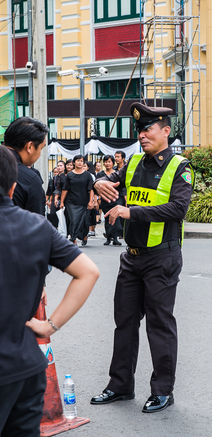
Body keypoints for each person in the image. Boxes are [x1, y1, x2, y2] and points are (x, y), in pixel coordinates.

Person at [91, 102, 194, 413]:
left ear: (165, 131)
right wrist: (100, 183)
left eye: (148, 128)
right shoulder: (134, 162)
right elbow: (112, 183)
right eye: (139, 129)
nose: (142, 134)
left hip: (162, 257)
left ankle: (163, 390)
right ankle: (120, 385)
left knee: (159, 326)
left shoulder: (180, 167)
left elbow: (178, 209)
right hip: (131, 258)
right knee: (124, 323)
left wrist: (129, 211)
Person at [0, 145, 99, 437]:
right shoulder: (37, 226)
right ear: (13, 187)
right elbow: (88, 272)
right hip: (26, 364)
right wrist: (49, 325)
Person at [4, 116, 48, 215]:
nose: (40, 153)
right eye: (41, 148)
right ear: (30, 147)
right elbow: (36, 225)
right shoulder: (30, 178)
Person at [60, 154, 94, 246]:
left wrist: (91, 201)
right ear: (74, 162)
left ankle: (82, 236)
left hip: (84, 202)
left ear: (84, 163)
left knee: (84, 222)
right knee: (73, 221)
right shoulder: (69, 175)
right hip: (71, 202)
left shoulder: (88, 175)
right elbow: (65, 189)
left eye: (81, 161)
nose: (80, 162)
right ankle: (73, 239)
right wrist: (62, 202)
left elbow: (91, 189)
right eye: (78, 160)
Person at [96, 155, 122, 246]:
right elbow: (97, 187)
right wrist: (98, 199)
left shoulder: (117, 173)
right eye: (106, 162)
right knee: (107, 218)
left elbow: (122, 186)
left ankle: (115, 238)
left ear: (113, 163)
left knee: (116, 217)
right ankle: (108, 237)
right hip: (105, 199)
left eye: (109, 162)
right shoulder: (100, 174)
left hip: (116, 198)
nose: (107, 164)